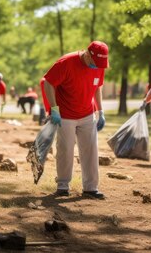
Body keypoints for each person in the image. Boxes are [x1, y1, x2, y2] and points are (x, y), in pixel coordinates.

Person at [43, 41, 109, 200]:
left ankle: (91, 188)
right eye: (94, 63)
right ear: (87, 54)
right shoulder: (66, 63)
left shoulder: (99, 66)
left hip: (87, 114)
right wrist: (54, 109)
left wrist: (100, 110)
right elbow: (48, 82)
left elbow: (97, 87)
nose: (96, 67)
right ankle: (63, 186)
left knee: (91, 150)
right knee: (65, 150)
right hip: (65, 115)